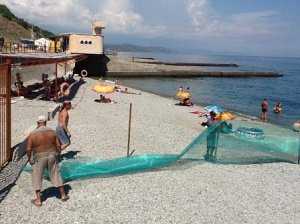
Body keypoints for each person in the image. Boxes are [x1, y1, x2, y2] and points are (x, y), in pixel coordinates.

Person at [27, 115, 69, 207]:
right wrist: (58, 153)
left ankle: (38, 200)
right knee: (56, 174)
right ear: (45, 122)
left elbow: (29, 148)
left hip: (39, 157)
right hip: (52, 155)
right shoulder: (52, 132)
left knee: (37, 176)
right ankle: (63, 195)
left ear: (37, 123)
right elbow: (58, 145)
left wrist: (29, 158)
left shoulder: (33, 134)